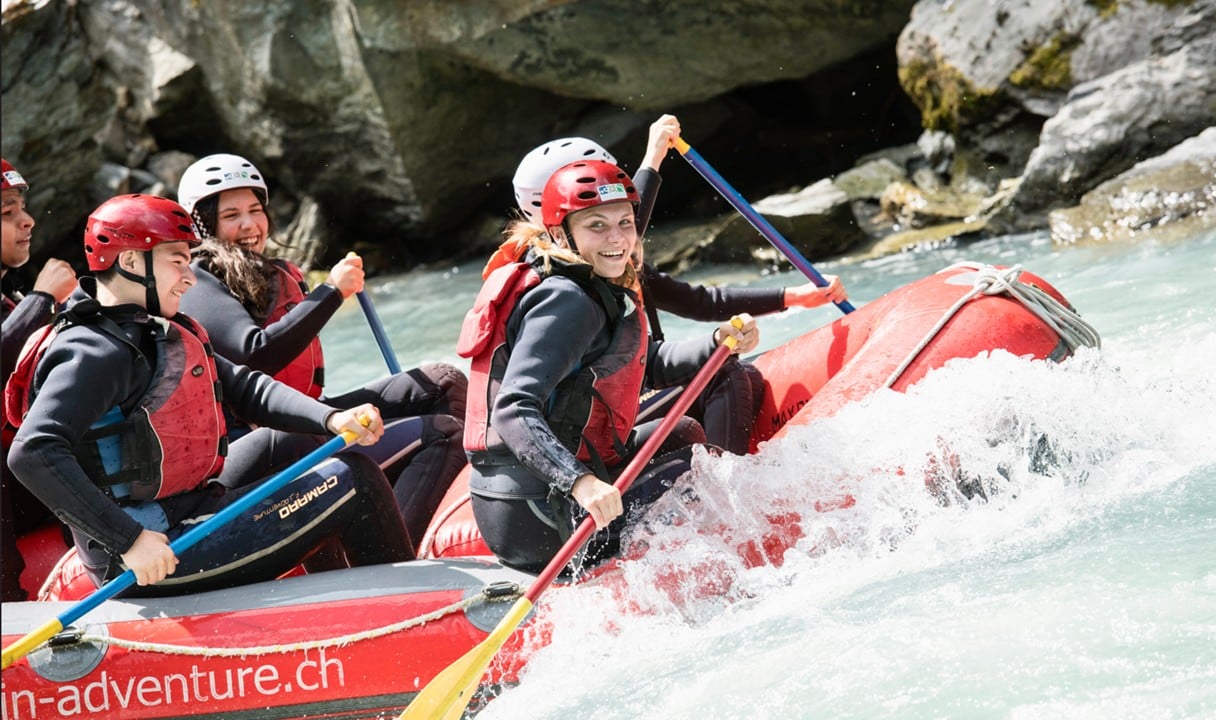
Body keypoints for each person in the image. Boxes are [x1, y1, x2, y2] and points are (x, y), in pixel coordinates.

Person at [5, 194, 413, 597]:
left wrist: (330, 418)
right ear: (129, 262)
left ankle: (342, 598)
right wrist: (129, 540)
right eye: (177, 262)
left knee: (296, 442)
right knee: (354, 479)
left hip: (189, 508)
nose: (189, 278)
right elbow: (33, 452)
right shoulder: (94, 351)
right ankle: (406, 604)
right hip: (151, 554)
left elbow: (246, 387)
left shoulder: (156, 328)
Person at [461, 159, 759, 573]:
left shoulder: (585, 283)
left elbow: (642, 364)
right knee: (701, 471)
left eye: (625, 223)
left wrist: (716, 343)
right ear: (560, 233)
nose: (616, 238)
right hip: (538, 514)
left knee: (680, 434)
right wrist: (579, 482)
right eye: (596, 226)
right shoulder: (566, 300)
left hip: (528, 496)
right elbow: (512, 408)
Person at [511, 116, 848, 453]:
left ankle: (723, 464)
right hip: (589, 425)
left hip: (625, 393)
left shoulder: (605, 261)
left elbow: (696, 301)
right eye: (597, 214)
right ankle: (728, 479)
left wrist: (794, 297)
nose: (617, 234)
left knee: (744, 375)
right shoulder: (560, 282)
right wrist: (653, 157)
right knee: (727, 374)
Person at [176, 154, 466, 541]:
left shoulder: (273, 273)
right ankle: (401, 548)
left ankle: (437, 508)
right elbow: (257, 356)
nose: (249, 224)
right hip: (253, 444)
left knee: (442, 382)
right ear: (202, 225)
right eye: (231, 215)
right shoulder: (197, 282)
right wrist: (331, 293)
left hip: (306, 417)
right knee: (441, 431)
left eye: (255, 210)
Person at [1, 158, 77, 601]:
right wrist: (42, 298)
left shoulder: (10, 299)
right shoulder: (27, 301)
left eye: (22, 208)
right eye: (7, 212)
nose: (27, 220)